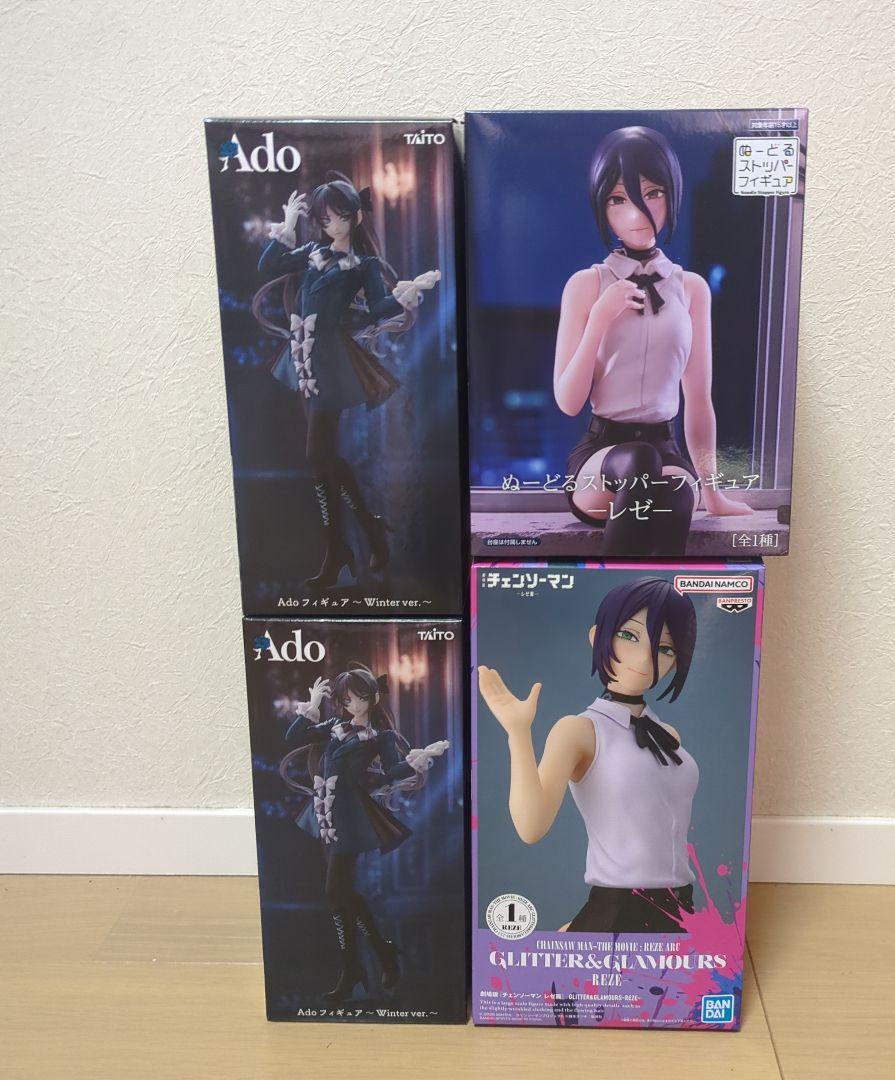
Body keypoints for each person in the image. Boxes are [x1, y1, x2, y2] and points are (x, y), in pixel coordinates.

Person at [553, 127, 752, 555]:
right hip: (601, 456)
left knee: (676, 491)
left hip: (666, 448)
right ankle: (613, 589)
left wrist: (713, 493)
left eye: (653, 193)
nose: (636, 213)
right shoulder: (586, 285)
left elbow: (698, 398)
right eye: (617, 199)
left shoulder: (691, 289)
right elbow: (568, 401)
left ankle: (647, 590)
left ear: (672, 195)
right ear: (601, 206)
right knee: (642, 465)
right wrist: (600, 318)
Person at [478, 577, 700, 933]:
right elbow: (531, 827)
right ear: (598, 637)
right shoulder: (580, 730)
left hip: (681, 905)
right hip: (622, 907)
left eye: (665, 649)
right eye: (629, 636)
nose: (645, 658)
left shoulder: (667, 735)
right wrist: (518, 733)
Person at [253, 172, 440, 584]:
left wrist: (404, 294)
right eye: (324, 219)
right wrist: (287, 226)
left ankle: (340, 547)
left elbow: (376, 309)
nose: (331, 225)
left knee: (317, 456)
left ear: (355, 216)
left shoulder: (363, 265)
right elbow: (268, 265)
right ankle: (365, 531)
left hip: (333, 363)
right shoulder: (311, 252)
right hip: (304, 359)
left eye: (339, 216)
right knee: (324, 458)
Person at [280, 663, 448, 1000]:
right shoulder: (334, 726)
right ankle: (380, 953)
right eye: (347, 700)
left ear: (372, 697)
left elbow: (392, 771)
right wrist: (312, 706)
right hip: (325, 813)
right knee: (342, 893)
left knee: (334, 892)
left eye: (359, 698)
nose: (353, 705)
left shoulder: (380, 737)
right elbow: (293, 738)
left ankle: (352, 968)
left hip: (351, 817)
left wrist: (416, 759)